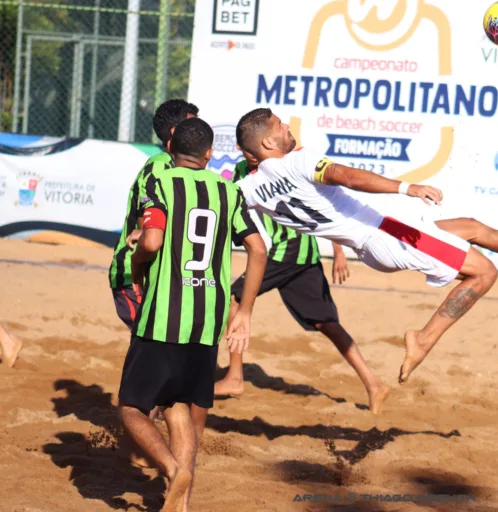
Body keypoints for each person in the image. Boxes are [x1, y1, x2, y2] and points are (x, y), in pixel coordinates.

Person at [234, 108, 498, 385]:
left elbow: (243, 225)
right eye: (280, 125)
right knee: (485, 272)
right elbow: (349, 177)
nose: (287, 128)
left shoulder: (248, 189)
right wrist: (408, 187)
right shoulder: (298, 161)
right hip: (389, 234)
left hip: (378, 240)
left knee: (472, 228)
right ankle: (423, 339)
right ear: (267, 143)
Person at [118, 118, 267, 512]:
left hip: (164, 314)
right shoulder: (229, 191)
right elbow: (258, 249)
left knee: (131, 406)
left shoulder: (161, 183)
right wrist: (246, 310)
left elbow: (151, 239)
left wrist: (137, 265)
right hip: (209, 317)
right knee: (180, 405)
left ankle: (171, 468)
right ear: (208, 155)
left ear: (170, 150)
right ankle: (181, 504)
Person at [215, 156, 390, 414]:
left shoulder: (285, 164)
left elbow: (322, 202)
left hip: (289, 250)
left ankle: (235, 377)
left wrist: (338, 251)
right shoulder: (242, 171)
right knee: (326, 324)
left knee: (234, 300)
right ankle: (374, 385)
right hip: (297, 254)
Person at [108, 99, 199, 329]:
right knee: (148, 346)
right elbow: (147, 229)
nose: (200, 132)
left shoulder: (184, 168)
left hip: (164, 275)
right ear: (175, 132)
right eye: (193, 126)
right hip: (135, 277)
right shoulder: (161, 167)